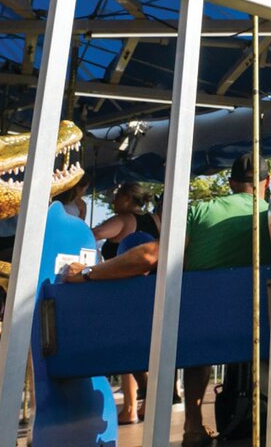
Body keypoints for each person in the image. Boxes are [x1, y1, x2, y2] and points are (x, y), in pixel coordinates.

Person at [63, 153, 270, 446]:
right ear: (267, 181)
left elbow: (149, 256)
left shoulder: (200, 212)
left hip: (205, 331)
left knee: (196, 332)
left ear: (230, 183)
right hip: (262, 329)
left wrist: (87, 273)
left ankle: (194, 425)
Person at [88, 181, 160, 424]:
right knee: (145, 344)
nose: (113, 200)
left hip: (124, 288)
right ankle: (147, 400)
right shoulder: (156, 220)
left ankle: (130, 405)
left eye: (118, 195)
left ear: (129, 198)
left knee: (125, 345)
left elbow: (95, 234)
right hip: (151, 288)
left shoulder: (124, 219)